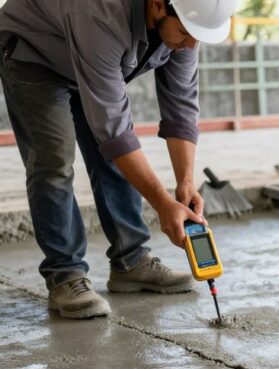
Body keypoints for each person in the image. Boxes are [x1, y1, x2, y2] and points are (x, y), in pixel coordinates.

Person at [0, 0, 237, 319]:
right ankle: (65, 274)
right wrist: (163, 204)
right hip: (34, 52)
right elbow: (114, 131)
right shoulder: (101, 12)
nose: (191, 44)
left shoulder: (187, 23)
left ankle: (131, 261)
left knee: (116, 157)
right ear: (157, 5)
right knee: (53, 160)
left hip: (89, 54)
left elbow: (180, 109)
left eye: (197, 36)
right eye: (184, 32)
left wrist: (184, 185)